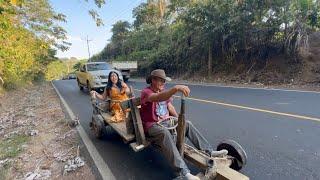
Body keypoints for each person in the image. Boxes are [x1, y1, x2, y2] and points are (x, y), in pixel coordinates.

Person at [140, 69, 227, 180]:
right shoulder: (146, 92)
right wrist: (175, 88)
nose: (163, 83)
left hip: (167, 121)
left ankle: (209, 151)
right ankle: (185, 173)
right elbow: (157, 98)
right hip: (153, 125)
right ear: (153, 80)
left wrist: (179, 122)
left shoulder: (162, 91)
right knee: (164, 133)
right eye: (160, 80)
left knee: (187, 124)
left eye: (164, 81)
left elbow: (169, 106)